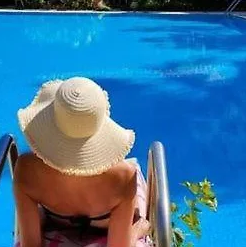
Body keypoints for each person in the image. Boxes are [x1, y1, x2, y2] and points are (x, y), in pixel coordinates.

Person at [14, 77, 150, 247]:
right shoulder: (123, 174)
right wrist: (138, 229)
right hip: (105, 222)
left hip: (57, 218)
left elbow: (31, 244)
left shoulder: (26, 168)